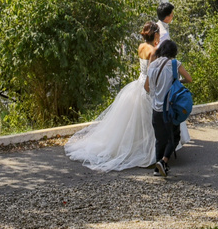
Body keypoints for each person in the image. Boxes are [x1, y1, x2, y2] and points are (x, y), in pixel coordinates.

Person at [65, 22, 191, 171]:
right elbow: (155, 71)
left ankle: (151, 154)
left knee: (138, 123)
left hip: (139, 82)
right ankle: (155, 155)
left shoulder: (141, 47)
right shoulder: (155, 51)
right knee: (152, 122)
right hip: (150, 87)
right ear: (156, 34)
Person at [143, 38, 190, 177]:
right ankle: (164, 161)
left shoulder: (152, 65)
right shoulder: (174, 64)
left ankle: (158, 169)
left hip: (156, 109)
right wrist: (177, 81)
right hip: (170, 109)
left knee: (160, 139)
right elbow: (189, 79)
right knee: (174, 137)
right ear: (173, 52)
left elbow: (146, 87)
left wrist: (156, 92)